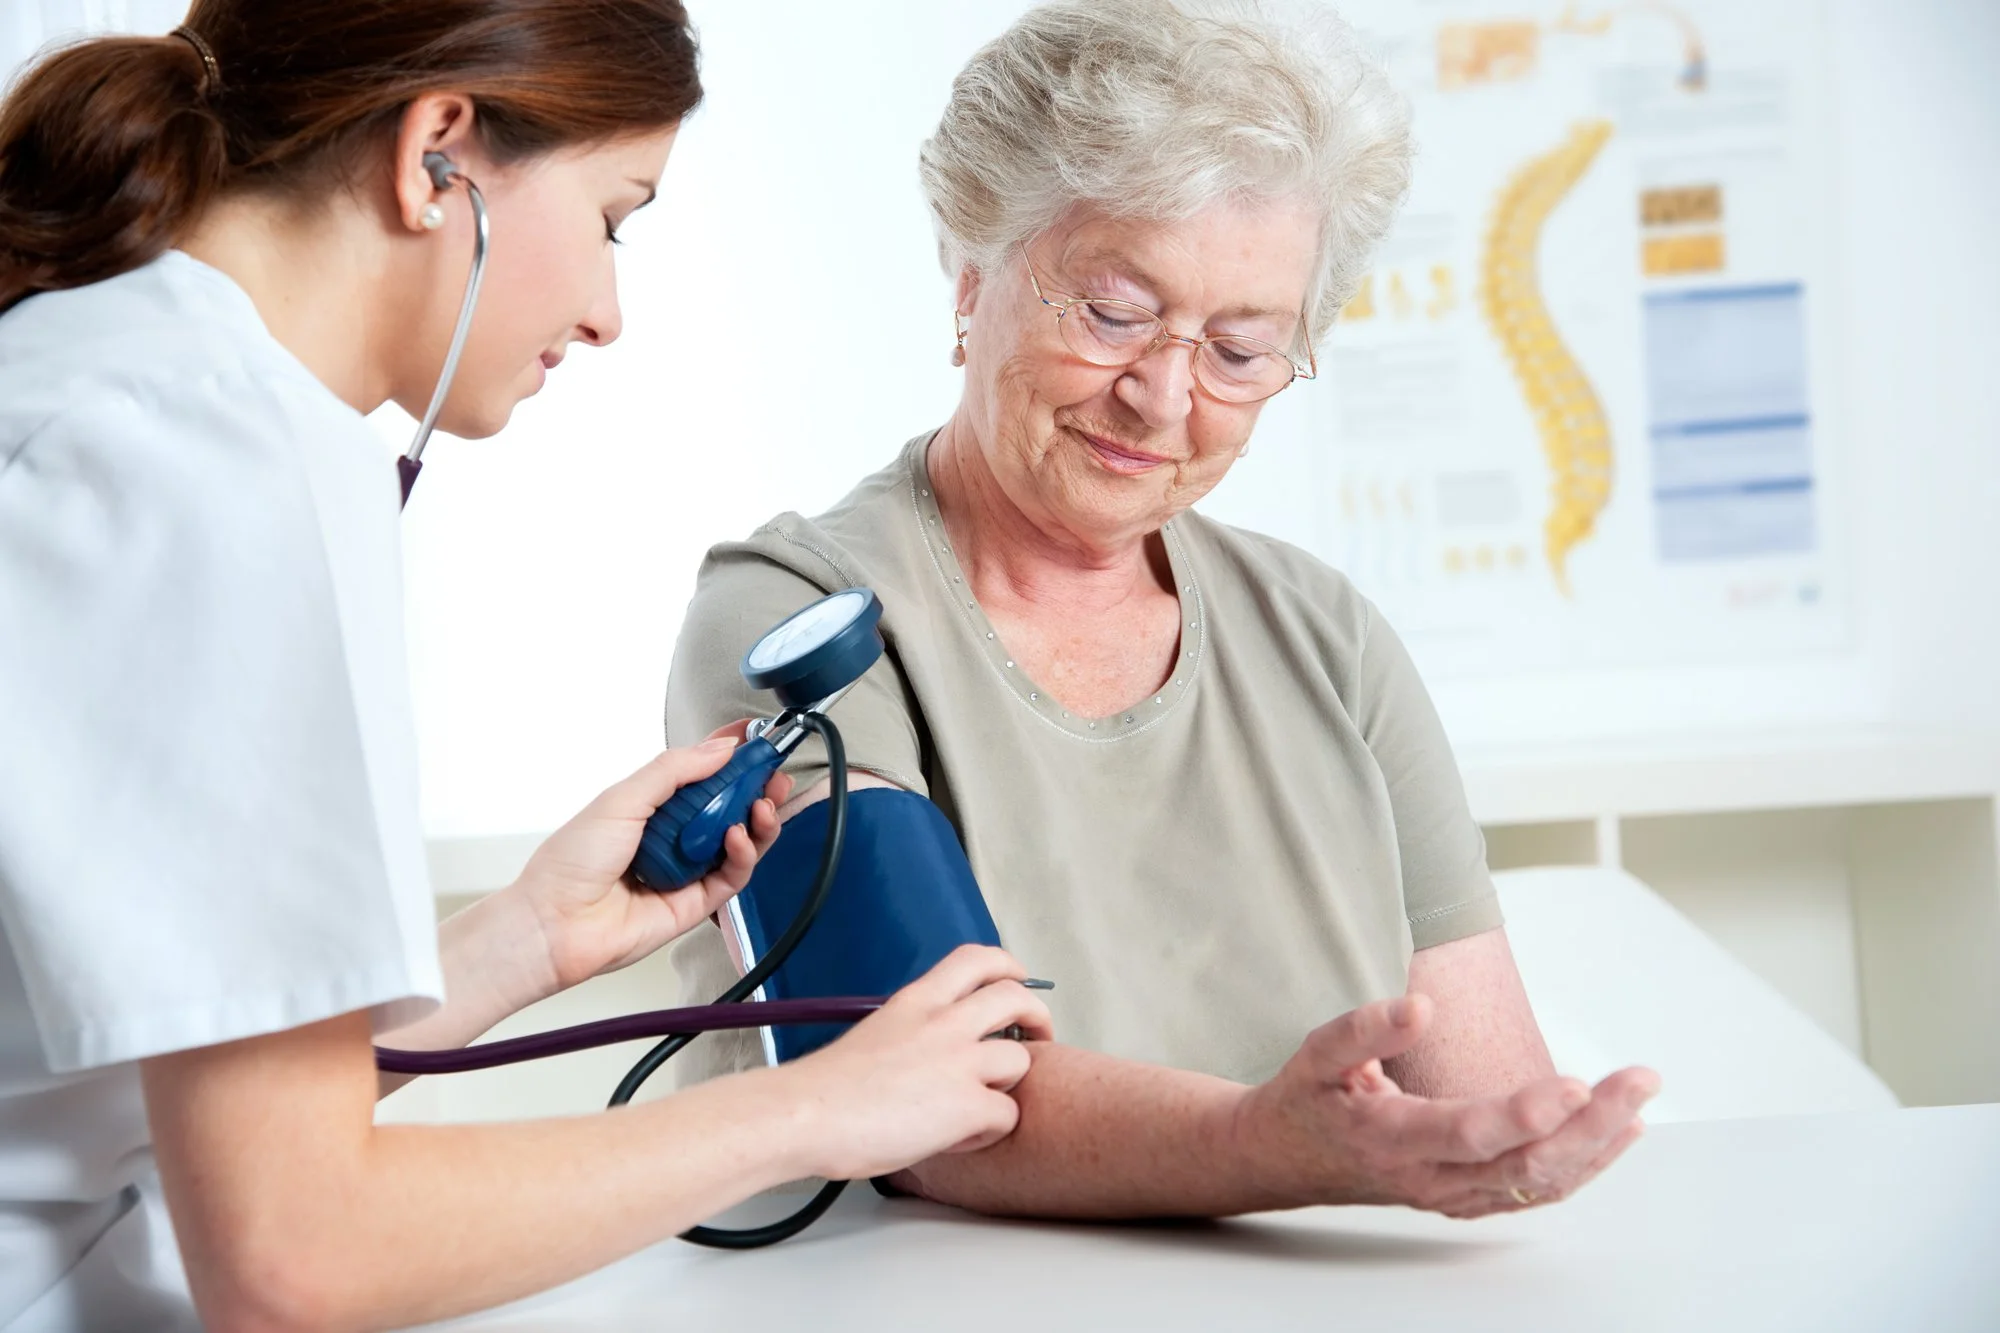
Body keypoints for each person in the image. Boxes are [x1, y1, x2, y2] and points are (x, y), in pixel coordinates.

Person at [0, 4, 1049, 1329]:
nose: (609, 312)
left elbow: (106, 1106)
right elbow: (293, 1256)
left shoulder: (109, 382)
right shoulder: (219, 464)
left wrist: (518, 943)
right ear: (437, 150)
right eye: (616, 216)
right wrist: (815, 1108)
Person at [666, 0, 1659, 1225]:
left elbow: (1487, 1110)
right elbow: (917, 1101)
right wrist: (1270, 1142)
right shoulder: (799, 617)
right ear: (973, 271)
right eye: (1113, 311)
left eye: (1240, 350)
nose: (1161, 397)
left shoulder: (1324, 639)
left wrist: (1514, 1148)